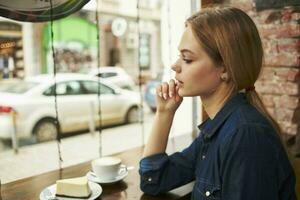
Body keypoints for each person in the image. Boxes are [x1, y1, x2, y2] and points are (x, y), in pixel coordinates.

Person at [139, 5, 297, 200]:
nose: (175, 65)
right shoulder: (216, 130)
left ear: (225, 69)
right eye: (180, 56)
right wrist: (164, 114)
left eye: (187, 59)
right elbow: (153, 180)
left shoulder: (244, 135)